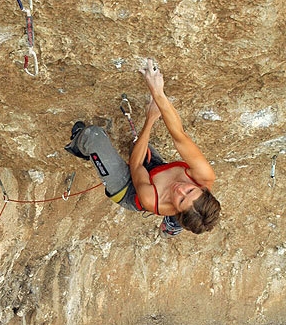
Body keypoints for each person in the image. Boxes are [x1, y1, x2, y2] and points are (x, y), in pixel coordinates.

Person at [64, 58, 220, 235]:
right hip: (156, 171)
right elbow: (180, 136)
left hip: (128, 190)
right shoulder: (204, 176)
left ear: (176, 211)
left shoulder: (153, 200)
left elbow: (136, 165)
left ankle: (79, 145)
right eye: (190, 190)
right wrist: (158, 93)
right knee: (135, 145)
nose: (180, 189)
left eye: (181, 200)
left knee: (93, 136)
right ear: (202, 188)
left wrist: (151, 119)